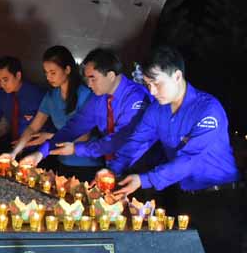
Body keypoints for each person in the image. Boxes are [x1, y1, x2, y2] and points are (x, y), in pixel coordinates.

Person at [112, 46, 245, 253]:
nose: (152, 91)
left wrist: (144, 179)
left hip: (220, 199)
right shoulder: (157, 109)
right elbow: (137, 141)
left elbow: (189, 159)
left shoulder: (207, 109)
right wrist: (112, 170)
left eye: (157, 83)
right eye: (148, 84)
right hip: (185, 196)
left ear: (177, 76)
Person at [20, 48, 152, 170]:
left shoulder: (136, 97)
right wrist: (41, 152)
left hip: (139, 168)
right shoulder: (99, 97)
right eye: (87, 78)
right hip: (112, 166)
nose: (89, 84)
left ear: (111, 75)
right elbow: (74, 127)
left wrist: (76, 149)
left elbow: (119, 139)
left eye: (93, 78)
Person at [4, 46, 102, 180]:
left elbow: (84, 137)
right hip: (62, 161)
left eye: (53, 72)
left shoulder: (85, 95)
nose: (48, 77)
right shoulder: (51, 96)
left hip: (86, 165)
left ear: (67, 70)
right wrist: (14, 153)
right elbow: (33, 127)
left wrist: (49, 137)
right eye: (46, 73)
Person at [0, 56, 45, 152]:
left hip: (34, 146)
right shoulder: (2, 94)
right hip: (13, 141)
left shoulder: (37, 95)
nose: (2, 85)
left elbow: (46, 126)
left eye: (5, 80)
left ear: (18, 76)